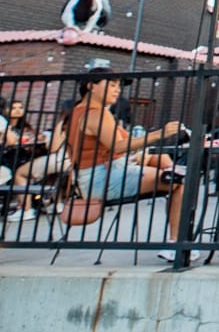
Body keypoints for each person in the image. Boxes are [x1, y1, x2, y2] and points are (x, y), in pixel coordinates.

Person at [63, 69, 185, 262]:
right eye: (111, 84)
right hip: (102, 177)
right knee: (179, 184)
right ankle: (177, 243)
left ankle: (168, 175)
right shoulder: (97, 114)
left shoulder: (80, 111)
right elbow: (117, 145)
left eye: (118, 85)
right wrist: (159, 134)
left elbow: (122, 143)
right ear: (91, 86)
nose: (117, 90)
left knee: (161, 158)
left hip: (97, 173)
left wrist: (138, 155)